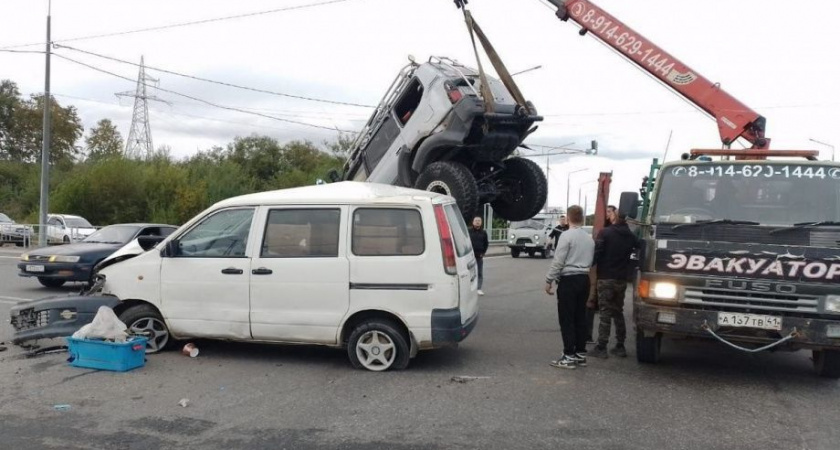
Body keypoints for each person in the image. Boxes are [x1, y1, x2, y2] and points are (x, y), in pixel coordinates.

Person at [544, 206, 594, 369]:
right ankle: (580, 353)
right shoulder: (589, 238)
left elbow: (558, 260)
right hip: (584, 279)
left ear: (569, 218)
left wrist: (549, 279)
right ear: (582, 218)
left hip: (569, 280)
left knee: (567, 319)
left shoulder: (566, 236)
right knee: (580, 317)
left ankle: (568, 355)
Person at [588, 210, 639, 359]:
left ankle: (601, 347)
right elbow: (639, 247)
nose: (609, 215)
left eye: (611, 214)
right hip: (621, 279)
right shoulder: (630, 236)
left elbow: (597, 253)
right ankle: (620, 345)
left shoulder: (605, 233)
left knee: (605, 313)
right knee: (618, 311)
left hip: (606, 278)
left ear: (615, 217)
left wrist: (589, 266)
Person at [469, 216, 489, 296]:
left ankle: (479, 288)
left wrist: (483, 252)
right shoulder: (469, 231)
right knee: (468, 273)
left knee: (479, 273)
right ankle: (468, 288)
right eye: (476, 220)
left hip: (479, 256)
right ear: (473, 222)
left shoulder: (483, 232)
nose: (477, 222)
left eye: (479, 221)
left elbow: (486, 243)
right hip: (469, 256)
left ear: (481, 223)